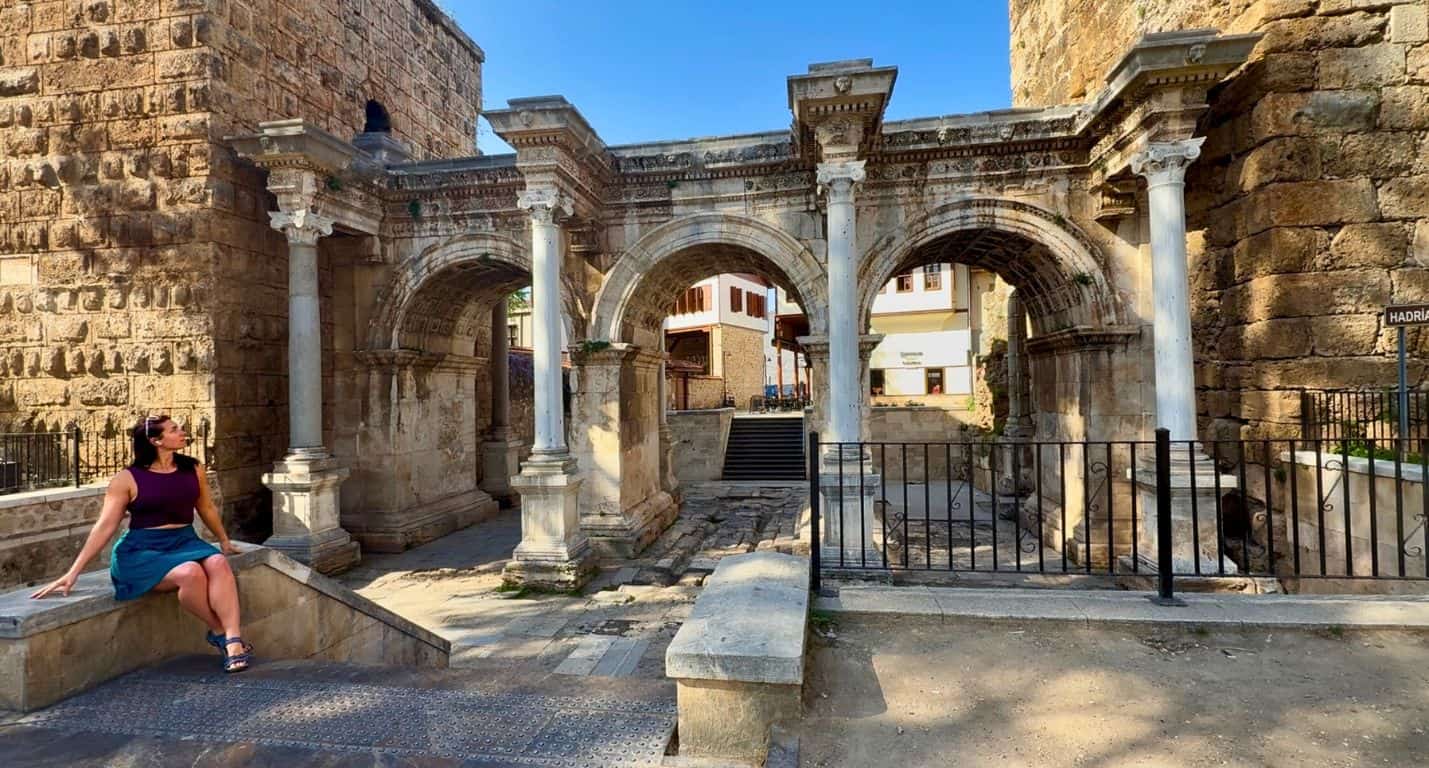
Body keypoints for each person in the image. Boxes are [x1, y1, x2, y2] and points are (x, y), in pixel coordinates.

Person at [30, 415, 253, 673]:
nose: (182, 432)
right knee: (191, 572)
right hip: (142, 550)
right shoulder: (126, 479)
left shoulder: (193, 468)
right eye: (174, 429)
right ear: (156, 440)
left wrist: (224, 540)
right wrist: (73, 572)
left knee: (217, 562)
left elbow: (205, 506)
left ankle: (233, 637)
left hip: (184, 540)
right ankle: (220, 631)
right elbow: (105, 526)